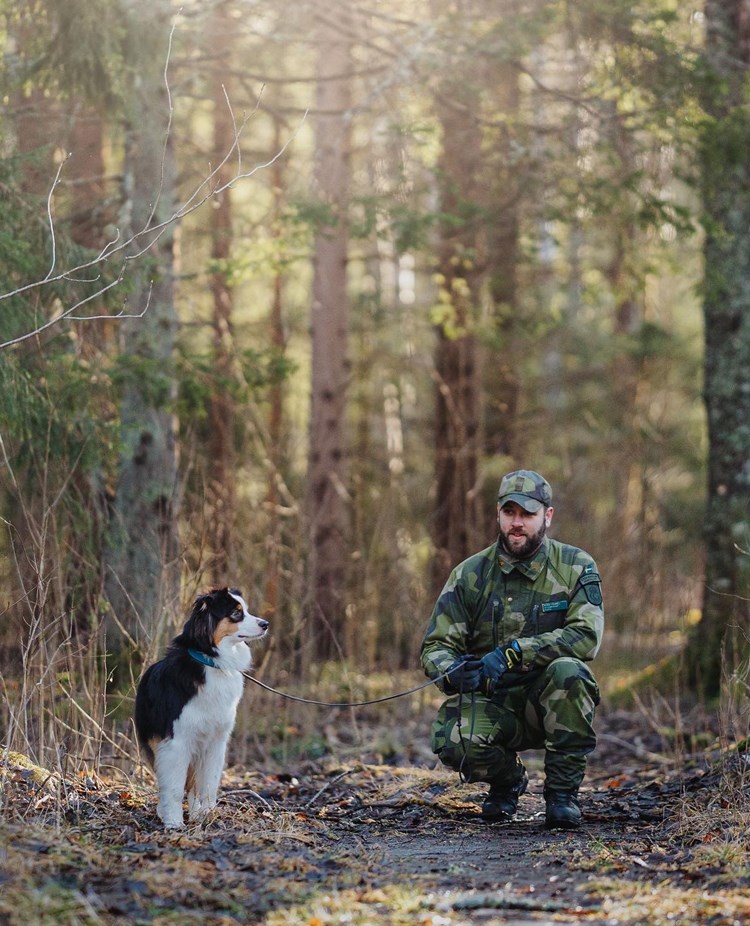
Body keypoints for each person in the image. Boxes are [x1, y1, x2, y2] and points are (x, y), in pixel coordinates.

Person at [420, 469, 603, 829]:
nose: (517, 523)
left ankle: (562, 795)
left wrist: (515, 652)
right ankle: (507, 781)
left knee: (571, 673)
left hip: (549, 701)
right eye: (509, 512)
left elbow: (585, 636)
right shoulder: (469, 574)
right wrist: (452, 671)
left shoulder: (575, 566)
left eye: (527, 514)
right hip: (494, 703)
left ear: (547, 516)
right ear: (498, 513)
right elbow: (436, 645)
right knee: (452, 736)